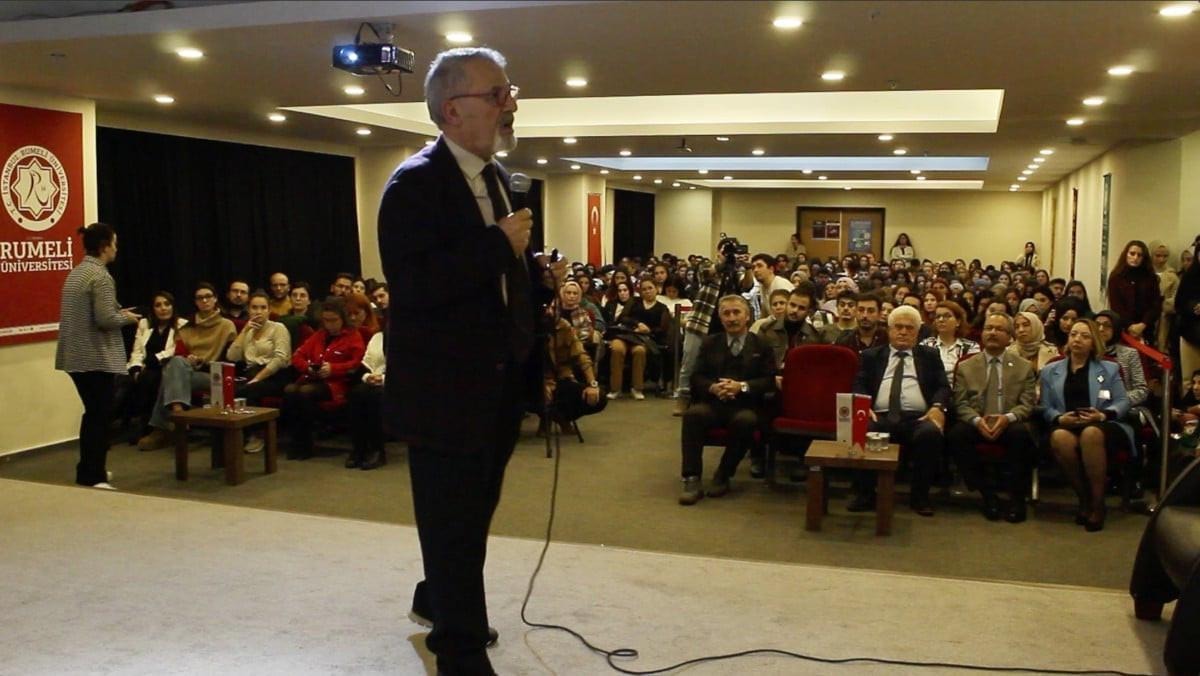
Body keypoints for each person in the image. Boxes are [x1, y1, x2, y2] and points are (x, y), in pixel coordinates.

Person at [377, 47, 562, 676]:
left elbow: (495, 278)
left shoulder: (496, 176)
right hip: (444, 391)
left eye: (510, 92)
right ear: (452, 110)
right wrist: (496, 245)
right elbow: (415, 285)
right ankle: (458, 649)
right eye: (497, 94)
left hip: (498, 384)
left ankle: (439, 598)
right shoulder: (414, 184)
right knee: (450, 519)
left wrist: (535, 278)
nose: (511, 105)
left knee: (470, 514)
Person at [55, 223, 141, 489]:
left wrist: (116, 313)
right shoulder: (101, 276)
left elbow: (91, 314)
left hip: (75, 356)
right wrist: (127, 318)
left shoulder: (77, 272)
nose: (116, 249)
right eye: (114, 243)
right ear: (105, 246)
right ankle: (93, 475)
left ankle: (90, 469)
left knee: (93, 413)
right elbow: (105, 319)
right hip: (94, 358)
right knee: (99, 416)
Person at [850, 305, 949, 516]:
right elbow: (859, 384)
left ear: (918, 332)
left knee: (930, 433)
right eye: (898, 327)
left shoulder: (930, 355)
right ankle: (865, 494)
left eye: (909, 328)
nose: (903, 332)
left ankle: (920, 497)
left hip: (918, 418)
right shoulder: (871, 355)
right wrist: (863, 405)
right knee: (861, 426)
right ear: (889, 330)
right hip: (879, 415)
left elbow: (943, 386)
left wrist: (937, 407)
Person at [678, 295, 777, 504]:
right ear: (720, 318)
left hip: (745, 405)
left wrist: (741, 387)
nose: (732, 318)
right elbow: (696, 377)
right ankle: (691, 478)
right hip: (714, 403)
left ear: (747, 316)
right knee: (693, 415)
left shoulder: (761, 344)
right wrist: (713, 388)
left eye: (736, 312)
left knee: (746, 422)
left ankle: (723, 474)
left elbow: (768, 380)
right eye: (726, 314)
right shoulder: (710, 342)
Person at [1040, 317, 1133, 532]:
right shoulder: (1050, 371)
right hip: (1068, 423)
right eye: (1073, 334)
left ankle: (1098, 504)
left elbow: (1123, 402)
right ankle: (1084, 498)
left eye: (1084, 336)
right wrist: (1059, 418)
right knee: (1060, 438)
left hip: (1103, 424)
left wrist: (1101, 415)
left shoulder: (1109, 368)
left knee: (1090, 433)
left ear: (1094, 342)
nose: (1077, 339)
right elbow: (1044, 407)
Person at [947, 314, 1038, 522]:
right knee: (956, 435)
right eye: (989, 328)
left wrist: (1007, 418)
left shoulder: (1023, 366)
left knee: (1021, 435)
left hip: (1009, 422)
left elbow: (1027, 404)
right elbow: (960, 403)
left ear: (1010, 337)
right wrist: (977, 421)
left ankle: (1017, 499)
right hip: (977, 421)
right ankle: (988, 495)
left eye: (999, 329)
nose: (993, 333)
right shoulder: (966, 366)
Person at [283, 297, 365, 460]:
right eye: (326, 320)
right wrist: (308, 367)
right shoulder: (319, 335)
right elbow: (298, 356)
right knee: (290, 390)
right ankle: (298, 441)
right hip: (313, 378)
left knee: (305, 392)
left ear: (343, 319)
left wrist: (333, 369)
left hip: (338, 384)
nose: (330, 325)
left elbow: (358, 363)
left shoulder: (353, 336)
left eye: (334, 320)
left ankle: (306, 444)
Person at [226, 291, 292, 453]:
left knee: (249, 389)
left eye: (263, 308)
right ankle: (232, 434)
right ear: (249, 310)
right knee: (228, 388)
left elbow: (281, 359)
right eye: (254, 307)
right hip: (251, 372)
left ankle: (257, 435)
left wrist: (258, 378)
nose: (258, 311)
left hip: (275, 375)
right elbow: (232, 357)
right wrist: (244, 331)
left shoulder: (278, 328)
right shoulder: (248, 332)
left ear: (269, 310)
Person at [121, 292, 186, 441]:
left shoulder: (182, 324)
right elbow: (137, 351)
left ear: (173, 307)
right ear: (153, 309)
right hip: (145, 367)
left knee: (150, 379)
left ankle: (148, 426)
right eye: (158, 305)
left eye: (167, 304)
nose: (163, 308)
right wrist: (136, 368)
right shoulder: (145, 324)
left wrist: (155, 359)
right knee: (125, 380)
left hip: (167, 368)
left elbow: (175, 350)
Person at [608, 277, 671, 400]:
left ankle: (637, 388)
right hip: (625, 334)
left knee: (639, 351)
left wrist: (648, 330)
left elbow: (663, 328)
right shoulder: (634, 302)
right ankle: (615, 388)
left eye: (650, 288)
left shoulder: (662, 308)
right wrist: (637, 324)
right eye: (644, 289)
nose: (647, 291)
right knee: (617, 349)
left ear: (656, 289)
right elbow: (623, 317)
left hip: (644, 338)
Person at [346, 327, 388, 470]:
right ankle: (359, 448)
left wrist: (383, 379)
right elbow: (366, 363)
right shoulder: (377, 337)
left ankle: (378, 450)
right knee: (356, 394)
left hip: (397, 385)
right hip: (373, 381)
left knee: (375, 397)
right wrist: (367, 376)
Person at [1106, 240, 1162, 341]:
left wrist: (1143, 324)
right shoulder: (1116, 277)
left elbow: (1155, 304)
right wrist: (1129, 326)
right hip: (1123, 328)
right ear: (1126, 254)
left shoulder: (1150, 277)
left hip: (1146, 328)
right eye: (1132, 254)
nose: (1135, 258)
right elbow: (1116, 305)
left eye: (1139, 255)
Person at [919, 300, 980, 387]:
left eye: (947, 316)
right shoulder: (925, 345)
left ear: (958, 322)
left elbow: (972, 377)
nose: (941, 320)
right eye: (938, 317)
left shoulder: (971, 347)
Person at [1007, 311, 1060, 378]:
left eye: (1026, 325)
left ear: (1036, 326)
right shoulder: (1008, 353)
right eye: (1017, 327)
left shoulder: (1052, 352)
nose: (1021, 330)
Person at [1149, 240, 1179, 353]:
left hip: (1164, 318)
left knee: (1161, 345)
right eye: (1158, 256)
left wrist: (1166, 304)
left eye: (1165, 256)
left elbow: (1177, 297)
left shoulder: (1172, 276)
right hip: (1145, 316)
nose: (1161, 259)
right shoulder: (1145, 272)